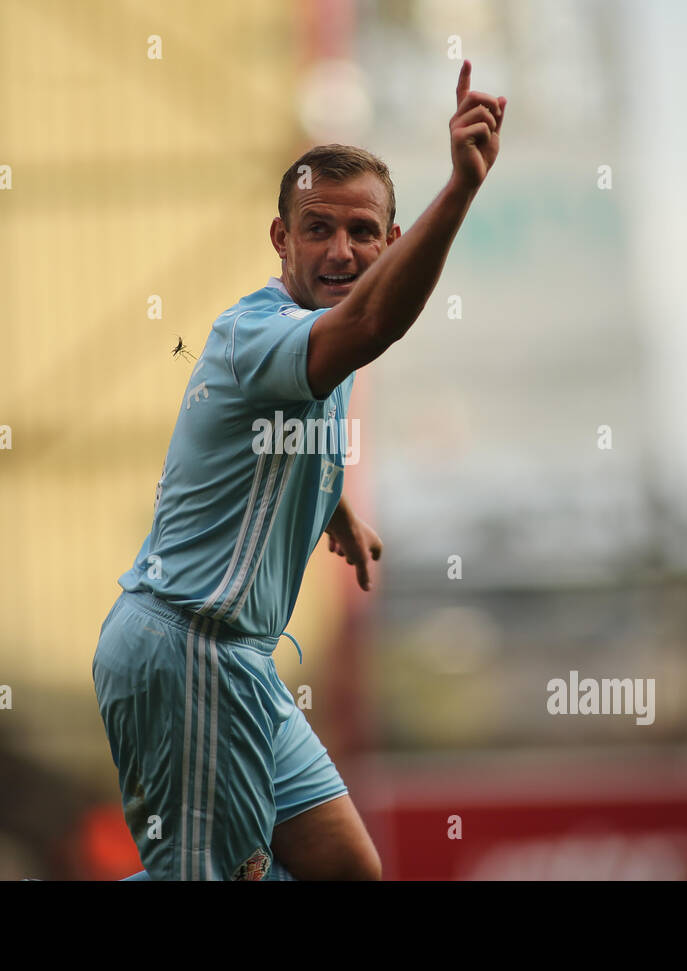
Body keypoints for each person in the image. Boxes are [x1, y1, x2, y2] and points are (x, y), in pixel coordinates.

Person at [93, 60, 505, 880]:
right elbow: (375, 322)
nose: (340, 249)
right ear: (281, 238)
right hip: (190, 652)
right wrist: (458, 190)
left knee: (349, 869)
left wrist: (333, 507)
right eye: (317, 227)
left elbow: (263, 438)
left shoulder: (315, 335)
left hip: (235, 659)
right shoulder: (271, 333)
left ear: (387, 242)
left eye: (362, 232)